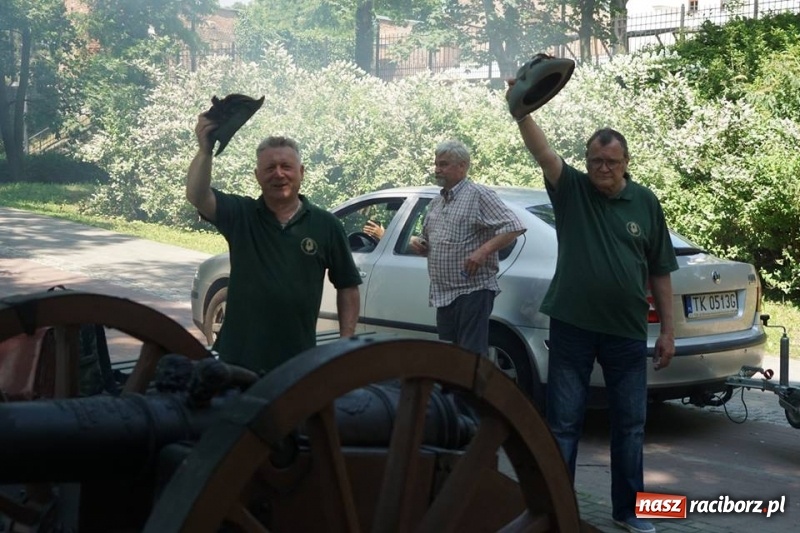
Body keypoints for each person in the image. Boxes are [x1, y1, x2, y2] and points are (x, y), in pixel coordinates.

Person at [507, 81, 678, 533]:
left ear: (626, 163)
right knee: (563, 424)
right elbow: (543, 154)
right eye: (596, 161)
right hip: (572, 327)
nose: (603, 168)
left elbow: (660, 271)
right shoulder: (572, 191)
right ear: (587, 163)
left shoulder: (645, 202)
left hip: (625, 332)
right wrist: (522, 110)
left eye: (612, 161)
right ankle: (559, 511)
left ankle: (631, 512)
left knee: (631, 427)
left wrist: (668, 332)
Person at [186, 114, 362, 375]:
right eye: (269, 168)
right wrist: (205, 150)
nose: (278, 174)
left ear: (301, 172)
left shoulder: (326, 226)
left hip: (296, 361)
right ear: (258, 176)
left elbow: (347, 286)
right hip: (237, 358)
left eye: (286, 166)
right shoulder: (241, 214)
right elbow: (197, 195)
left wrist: (345, 342)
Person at [411, 139, 525, 359]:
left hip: (472, 291)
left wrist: (483, 252)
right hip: (444, 294)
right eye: (436, 164)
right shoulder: (437, 202)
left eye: (443, 164)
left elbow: (514, 227)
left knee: (470, 359)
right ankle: (454, 395)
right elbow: (428, 240)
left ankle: (474, 395)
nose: (437, 169)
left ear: (462, 166)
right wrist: (420, 244)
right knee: (449, 358)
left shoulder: (479, 195)